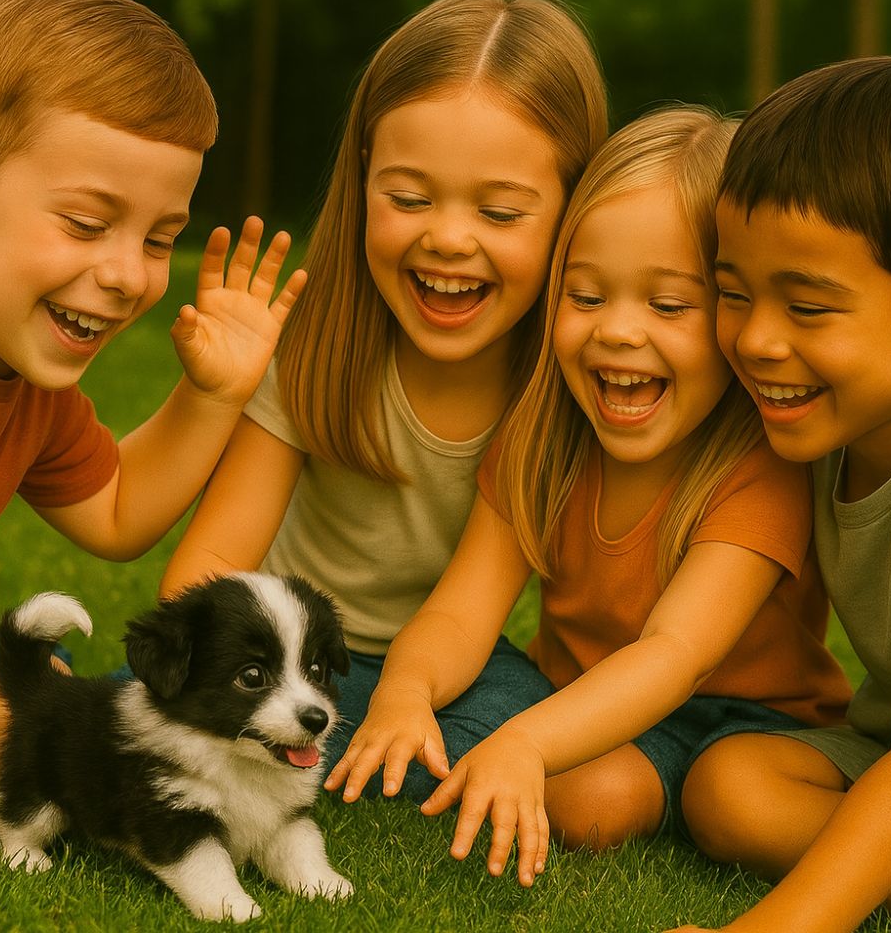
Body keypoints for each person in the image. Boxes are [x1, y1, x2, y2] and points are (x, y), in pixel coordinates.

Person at [326, 106, 853, 888]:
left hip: (742, 723)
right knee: (429, 716)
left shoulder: (757, 468)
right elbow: (460, 614)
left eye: (668, 305)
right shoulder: (544, 439)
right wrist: (406, 692)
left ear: (734, 317)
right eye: (586, 297)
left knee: (594, 800)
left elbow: (674, 655)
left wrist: (527, 743)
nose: (618, 333)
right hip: (572, 698)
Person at [159, 0, 608, 797]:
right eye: (408, 199)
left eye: (500, 212)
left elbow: (465, 614)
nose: (448, 237)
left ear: (573, 212)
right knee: (151, 721)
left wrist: (406, 699)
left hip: (447, 667)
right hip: (283, 654)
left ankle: (349, 753)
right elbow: (210, 568)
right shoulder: (316, 348)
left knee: (528, 748)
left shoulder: (551, 392)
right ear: (363, 179)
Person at [0, 0, 305, 845]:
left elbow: (117, 511)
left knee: (30, 702)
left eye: (159, 238)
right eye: (87, 223)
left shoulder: (26, 389)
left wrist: (211, 395)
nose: (130, 274)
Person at [667, 57, 891, 933]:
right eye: (733, 294)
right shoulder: (823, 426)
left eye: (809, 309)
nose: (756, 341)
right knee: (730, 787)